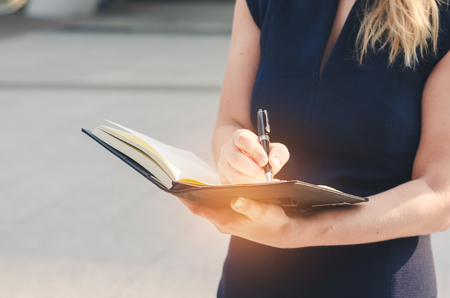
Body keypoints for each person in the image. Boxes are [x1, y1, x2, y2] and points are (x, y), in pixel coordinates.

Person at [180, 0, 450, 296]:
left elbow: (440, 194)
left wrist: (295, 232)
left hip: (375, 280)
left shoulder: (442, 14)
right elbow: (230, 122)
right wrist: (235, 154)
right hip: (252, 274)